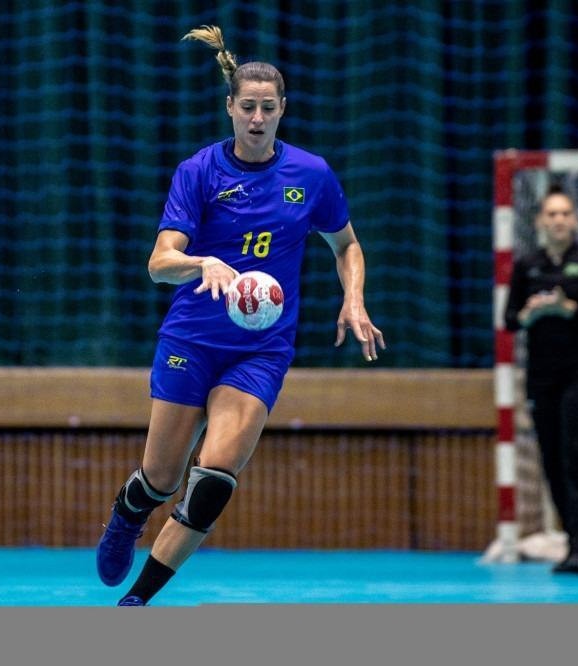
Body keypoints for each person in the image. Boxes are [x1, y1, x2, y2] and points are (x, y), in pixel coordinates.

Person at [95, 25, 386, 606]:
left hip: (260, 349)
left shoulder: (311, 175)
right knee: (162, 477)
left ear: (283, 111)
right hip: (193, 339)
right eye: (247, 107)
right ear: (230, 107)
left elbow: (346, 244)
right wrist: (203, 263)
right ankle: (130, 512)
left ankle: (136, 602)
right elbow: (159, 263)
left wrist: (353, 298)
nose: (257, 118)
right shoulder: (198, 172)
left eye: (268, 108)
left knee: (213, 480)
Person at [503, 185, 578, 574]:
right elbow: (509, 319)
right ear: (540, 221)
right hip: (543, 378)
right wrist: (530, 314)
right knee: (552, 459)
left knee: (577, 457)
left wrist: (571, 309)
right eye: (551, 214)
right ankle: (572, 539)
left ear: (574, 220)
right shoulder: (527, 264)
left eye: (565, 213)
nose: (559, 220)